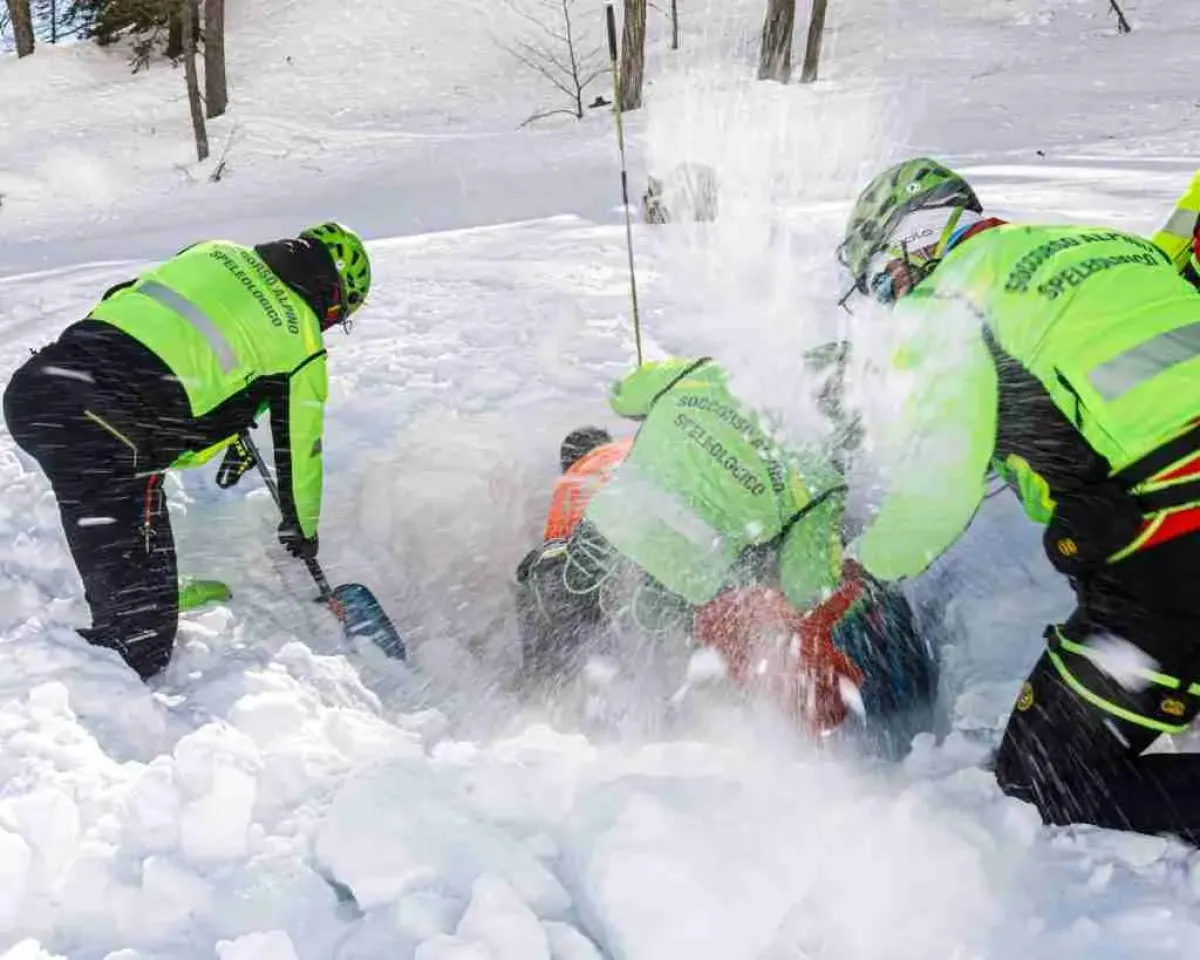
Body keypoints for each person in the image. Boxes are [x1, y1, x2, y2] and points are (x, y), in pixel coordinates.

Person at [837, 157, 1200, 841]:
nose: (886, 300)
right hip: (1175, 519)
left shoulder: (943, 302)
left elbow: (939, 492)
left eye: (881, 277)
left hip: (1174, 538)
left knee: (1044, 777)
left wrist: (861, 570)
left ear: (913, 242)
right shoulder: (1104, 247)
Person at [3, 223, 371, 681]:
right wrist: (301, 528)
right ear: (333, 297)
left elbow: (135, 309)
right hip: (102, 432)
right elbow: (302, 451)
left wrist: (230, 419)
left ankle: (144, 588)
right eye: (338, 316)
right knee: (142, 645)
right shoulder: (302, 342)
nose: (330, 325)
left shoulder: (215, 251)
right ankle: (34, 687)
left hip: (37, 390)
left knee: (121, 507)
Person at [514, 360, 938, 751]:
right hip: (682, 582)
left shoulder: (709, 373)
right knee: (674, 642)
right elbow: (804, 584)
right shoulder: (819, 478)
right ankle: (679, 734)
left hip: (603, 539)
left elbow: (624, 395)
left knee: (560, 603)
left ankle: (543, 712)